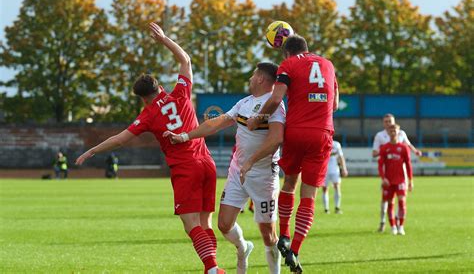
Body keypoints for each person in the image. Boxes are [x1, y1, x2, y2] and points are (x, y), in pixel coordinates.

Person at [75, 23, 224, 274]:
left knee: (190, 225)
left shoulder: (148, 115)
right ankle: (213, 267)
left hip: (185, 168)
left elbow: (120, 139)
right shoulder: (181, 93)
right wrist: (164, 39)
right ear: (159, 87)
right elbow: (185, 59)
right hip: (207, 163)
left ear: (143, 98)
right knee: (205, 222)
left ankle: (212, 269)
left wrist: (91, 151)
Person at [165, 62, 285, 274]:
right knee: (224, 224)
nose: (250, 79)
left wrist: (252, 160)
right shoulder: (244, 103)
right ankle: (243, 247)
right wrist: (185, 136)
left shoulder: (275, 105)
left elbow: (276, 139)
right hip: (238, 172)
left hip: (263, 176)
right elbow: (218, 122)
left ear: (260, 79)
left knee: (268, 233)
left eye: (253, 75)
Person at [247, 34, 339, 273]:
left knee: (289, 184)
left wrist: (258, 117)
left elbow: (276, 98)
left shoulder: (288, 64)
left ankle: (284, 234)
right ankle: (296, 250)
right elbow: (335, 104)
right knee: (309, 195)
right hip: (322, 133)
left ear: (285, 53)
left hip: (297, 131)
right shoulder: (328, 64)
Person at [372, 113, 421, 232]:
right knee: (385, 200)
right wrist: (386, 151)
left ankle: (400, 225)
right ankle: (383, 221)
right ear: (383, 123)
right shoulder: (380, 136)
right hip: (387, 173)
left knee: (401, 200)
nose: (389, 124)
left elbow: (408, 145)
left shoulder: (401, 133)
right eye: (386, 121)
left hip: (401, 174)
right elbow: (374, 153)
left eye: (390, 121)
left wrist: (415, 151)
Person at [378, 124, 414, 235]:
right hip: (388, 181)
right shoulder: (384, 148)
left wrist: (410, 180)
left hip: (401, 180)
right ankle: (393, 226)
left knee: (402, 203)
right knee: (390, 203)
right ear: (388, 132)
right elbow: (380, 165)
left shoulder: (403, 148)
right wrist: (383, 178)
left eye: (395, 130)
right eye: (391, 130)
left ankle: (401, 226)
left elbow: (408, 165)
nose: (393, 132)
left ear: (399, 132)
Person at [322, 140, 348, 214]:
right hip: (324, 170)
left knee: (337, 186)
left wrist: (344, 169)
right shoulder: (322, 142)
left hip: (335, 170)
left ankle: (337, 207)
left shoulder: (336, 144)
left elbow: (341, 157)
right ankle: (326, 209)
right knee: (325, 189)